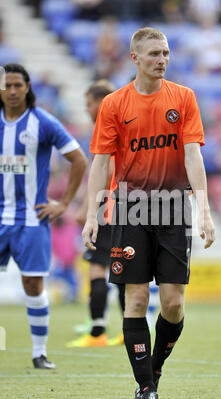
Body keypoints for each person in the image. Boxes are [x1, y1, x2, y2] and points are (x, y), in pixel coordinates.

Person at [82, 28, 215, 399]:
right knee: (135, 298)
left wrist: (203, 209)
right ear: (134, 58)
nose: (163, 59)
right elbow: (101, 162)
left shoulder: (184, 98)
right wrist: (93, 214)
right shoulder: (113, 104)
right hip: (129, 207)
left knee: (173, 304)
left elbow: (193, 156)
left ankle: (152, 372)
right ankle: (144, 387)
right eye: (155, 53)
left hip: (173, 205)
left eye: (167, 53)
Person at [0, 64, 87, 369]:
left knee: (33, 284)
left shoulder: (43, 122)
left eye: (17, 85)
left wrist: (63, 204)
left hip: (32, 219)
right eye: (6, 85)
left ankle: (39, 353)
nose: (11, 91)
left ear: (27, 88)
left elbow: (78, 159)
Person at [66, 80, 126, 348]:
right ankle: (129, 330)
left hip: (108, 208)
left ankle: (97, 333)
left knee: (97, 268)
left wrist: (88, 209)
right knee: (125, 271)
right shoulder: (125, 122)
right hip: (127, 207)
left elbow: (109, 170)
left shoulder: (108, 126)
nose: (87, 109)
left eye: (89, 103)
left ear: (100, 102)